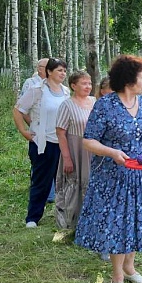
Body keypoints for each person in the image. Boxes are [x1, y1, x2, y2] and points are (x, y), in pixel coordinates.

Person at [74, 55, 142, 283]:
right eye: (140, 76)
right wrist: (112, 152)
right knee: (117, 223)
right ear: (128, 80)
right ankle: (116, 277)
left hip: (137, 175)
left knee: (135, 219)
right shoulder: (105, 105)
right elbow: (88, 141)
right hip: (111, 177)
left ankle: (129, 267)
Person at [13, 58, 69, 227]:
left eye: (64, 71)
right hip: (43, 143)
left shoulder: (66, 91)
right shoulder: (36, 90)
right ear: (49, 72)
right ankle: (33, 217)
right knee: (41, 181)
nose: (63, 74)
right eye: (59, 70)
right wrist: (24, 131)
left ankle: (64, 216)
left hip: (62, 142)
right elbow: (18, 109)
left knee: (63, 182)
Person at [54, 70, 96, 230]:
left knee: (93, 184)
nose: (88, 86)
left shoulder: (94, 101)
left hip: (93, 150)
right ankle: (73, 223)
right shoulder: (67, 105)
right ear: (73, 86)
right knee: (75, 185)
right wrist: (67, 158)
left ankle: (92, 222)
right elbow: (60, 133)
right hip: (76, 150)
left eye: (90, 83)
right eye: (84, 83)